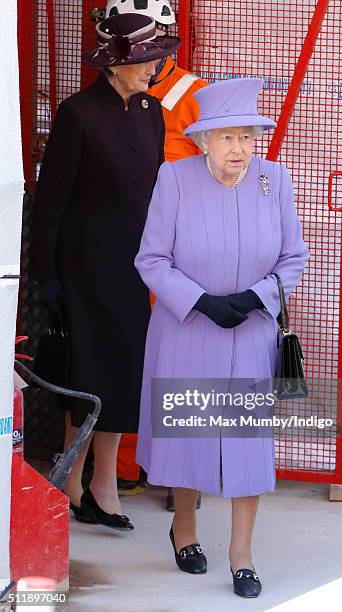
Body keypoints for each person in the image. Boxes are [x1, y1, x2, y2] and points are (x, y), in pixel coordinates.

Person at [134, 77, 309, 597]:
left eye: (249, 136)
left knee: (246, 442)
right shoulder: (175, 177)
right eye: (227, 137)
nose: (240, 148)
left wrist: (258, 298)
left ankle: (241, 554)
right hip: (188, 328)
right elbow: (151, 259)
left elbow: (293, 258)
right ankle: (184, 529)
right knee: (190, 432)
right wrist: (202, 302)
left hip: (252, 330)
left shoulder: (273, 180)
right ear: (203, 140)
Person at [30, 13, 180, 530]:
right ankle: (73, 482)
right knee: (85, 374)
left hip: (133, 267)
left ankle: (101, 483)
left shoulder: (152, 112)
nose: (152, 66)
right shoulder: (77, 114)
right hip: (83, 269)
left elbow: (154, 196)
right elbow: (51, 203)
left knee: (123, 374)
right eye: (141, 59)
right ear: (114, 65)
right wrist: (45, 275)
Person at [105, 0, 208, 507]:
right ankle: (125, 469)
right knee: (130, 350)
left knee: (182, 356)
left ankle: (181, 473)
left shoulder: (196, 95)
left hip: (180, 250)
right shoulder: (109, 91)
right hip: (126, 241)